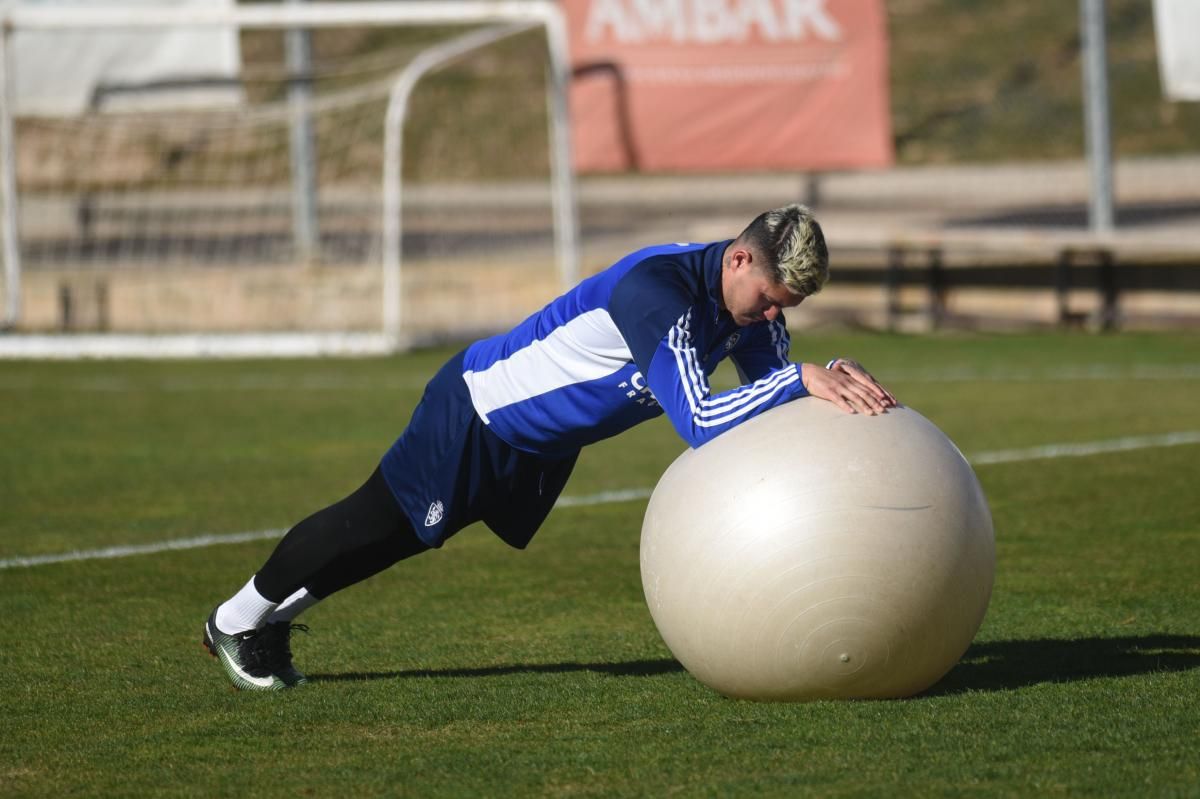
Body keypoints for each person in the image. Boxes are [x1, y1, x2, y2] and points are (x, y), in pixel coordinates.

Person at [202, 203, 898, 691]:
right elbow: (701, 421)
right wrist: (799, 380)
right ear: (740, 257)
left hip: (539, 444)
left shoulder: (740, 304)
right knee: (373, 519)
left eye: (787, 310)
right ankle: (233, 618)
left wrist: (819, 376)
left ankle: (267, 623)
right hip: (479, 411)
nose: (774, 317)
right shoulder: (661, 293)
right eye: (770, 299)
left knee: (407, 540)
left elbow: (770, 385)